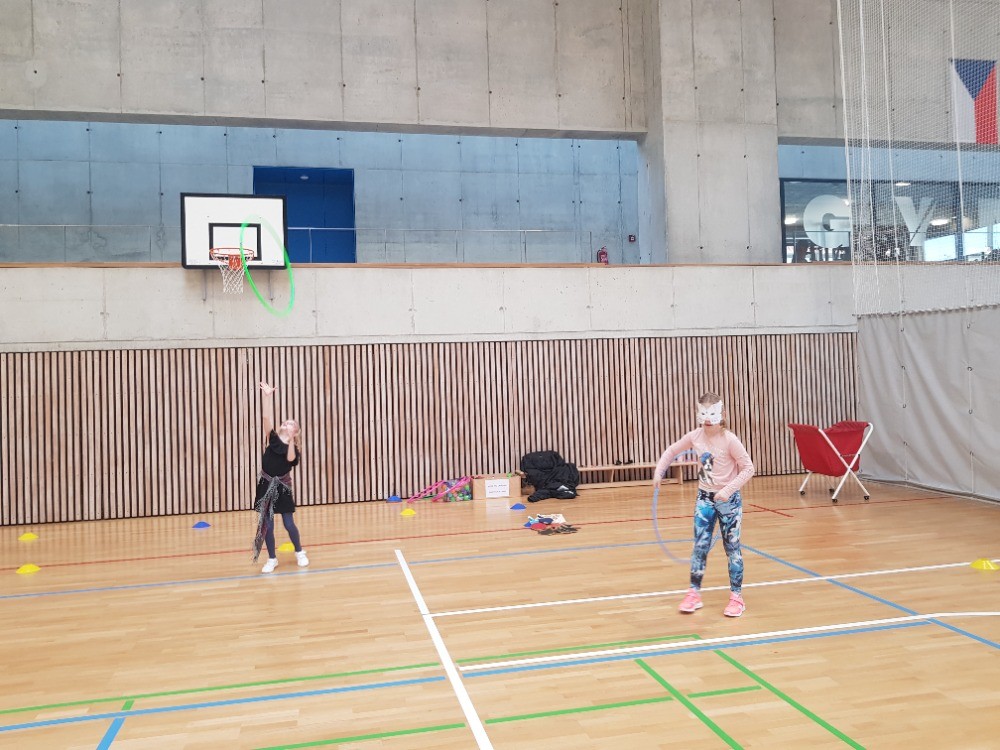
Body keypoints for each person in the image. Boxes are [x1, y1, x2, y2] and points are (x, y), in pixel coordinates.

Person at [652, 392, 754, 617]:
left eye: (712, 413)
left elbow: (749, 468)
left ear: (722, 414)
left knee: (732, 549)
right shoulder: (695, 436)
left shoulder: (730, 440)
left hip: (728, 502)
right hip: (704, 499)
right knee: (700, 546)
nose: (708, 419)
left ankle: (736, 597)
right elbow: (672, 451)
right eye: (703, 413)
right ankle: (693, 593)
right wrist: (660, 471)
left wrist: (727, 490)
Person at [254, 380, 308, 573]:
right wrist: (267, 397)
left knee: (288, 523)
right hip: (265, 484)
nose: (287, 423)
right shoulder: (273, 439)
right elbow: (265, 417)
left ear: (296, 431)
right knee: (267, 525)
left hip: (282, 487)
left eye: (291, 423)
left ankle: (299, 552)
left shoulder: (294, 449)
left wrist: (292, 439)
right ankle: (272, 559)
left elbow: (290, 458)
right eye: (286, 422)